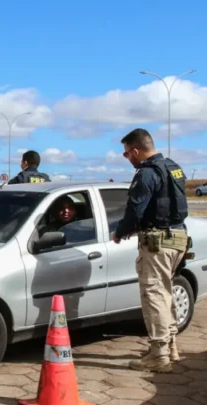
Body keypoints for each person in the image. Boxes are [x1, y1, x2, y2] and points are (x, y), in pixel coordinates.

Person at [113, 128, 189, 373]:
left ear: (136, 150)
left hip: (157, 243)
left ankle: (159, 354)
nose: (128, 159)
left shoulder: (146, 173)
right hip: (178, 237)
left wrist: (121, 231)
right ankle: (171, 346)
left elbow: (135, 208)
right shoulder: (173, 167)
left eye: (126, 154)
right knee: (165, 292)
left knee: (153, 295)